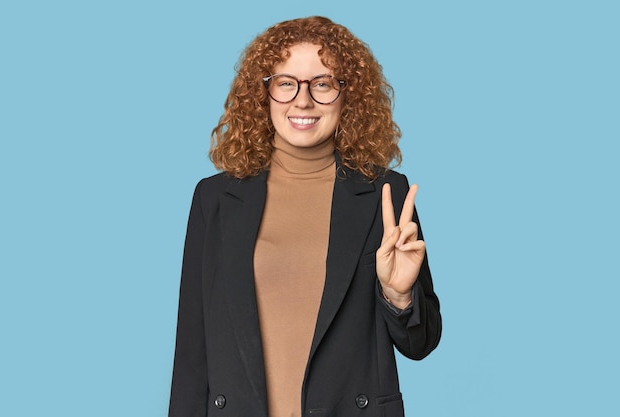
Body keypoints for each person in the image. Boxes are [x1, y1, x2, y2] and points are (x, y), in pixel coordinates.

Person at [169, 16, 441, 417]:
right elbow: (192, 350)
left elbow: (421, 343)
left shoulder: (386, 193)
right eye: (286, 83)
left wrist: (398, 296)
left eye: (323, 84)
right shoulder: (214, 198)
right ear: (263, 94)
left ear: (349, 96)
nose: (303, 100)